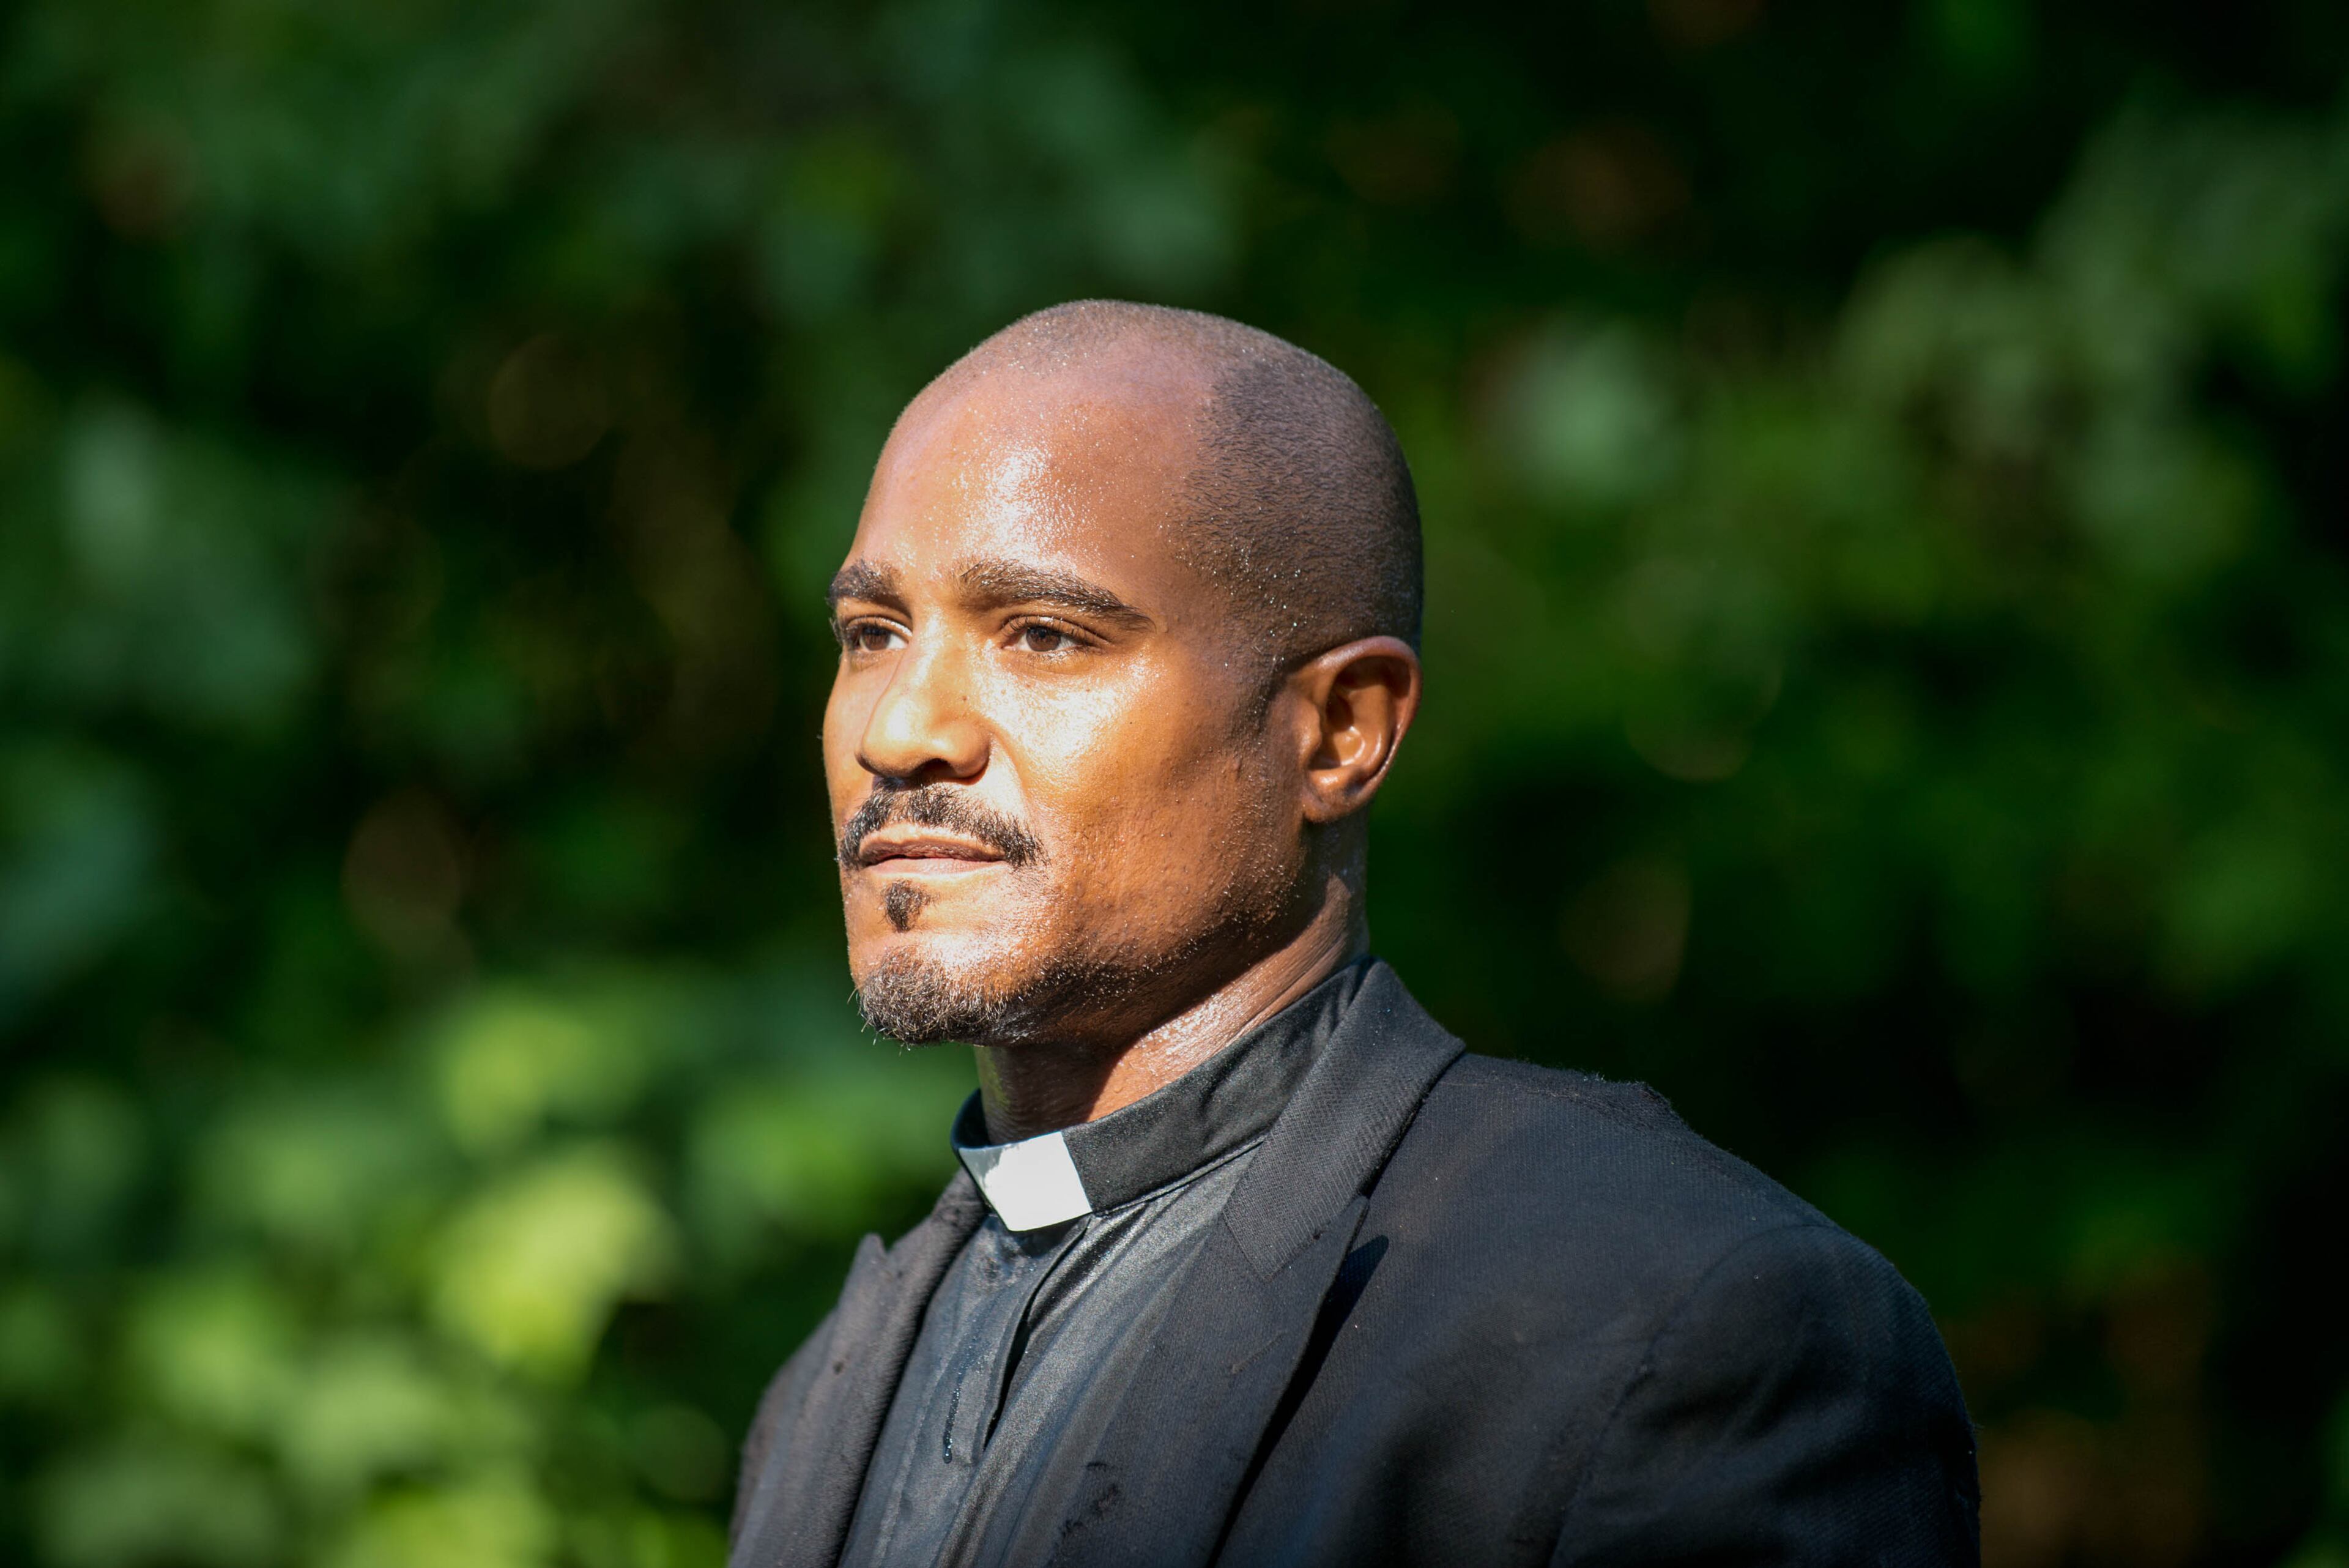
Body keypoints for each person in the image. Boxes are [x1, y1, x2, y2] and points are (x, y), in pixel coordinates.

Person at [728, 301, 1981, 1568]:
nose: (901, 731)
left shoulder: (1666, 1324)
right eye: (872, 635)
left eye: (1045, 635)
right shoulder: (826, 1393)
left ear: (1341, 732)